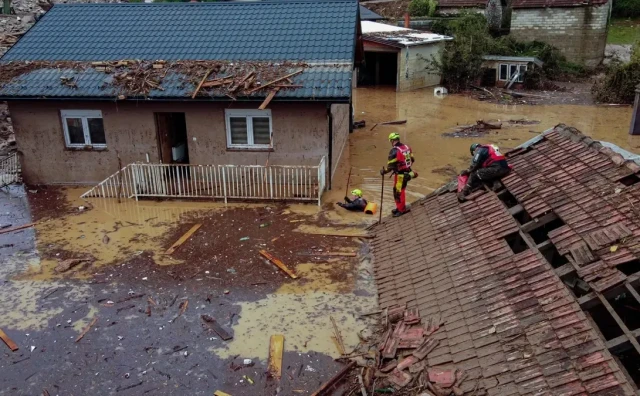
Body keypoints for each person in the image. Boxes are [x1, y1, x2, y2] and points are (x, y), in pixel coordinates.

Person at [380, 132, 417, 217]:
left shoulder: (394, 151)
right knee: (398, 190)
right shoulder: (407, 147)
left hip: (400, 174)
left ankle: (401, 210)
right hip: (407, 172)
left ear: (392, 140)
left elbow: (390, 167)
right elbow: (413, 159)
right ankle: (399, 207)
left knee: (399, 192)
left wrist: (383, 171)